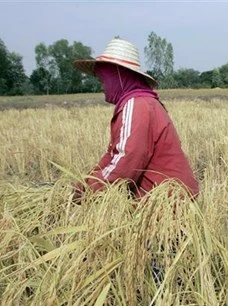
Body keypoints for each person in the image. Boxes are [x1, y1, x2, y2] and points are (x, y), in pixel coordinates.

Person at [72, 38, 199, 202]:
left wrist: (89, 190)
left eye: (104, 80)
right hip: (171, 196)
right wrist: (88, 179)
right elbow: (113, 154)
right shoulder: (144, 101)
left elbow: (126, 163)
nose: (103, 87)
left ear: (118, 76)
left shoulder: (136, 106)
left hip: (165, 201)